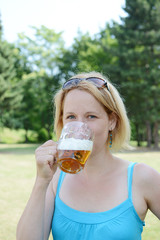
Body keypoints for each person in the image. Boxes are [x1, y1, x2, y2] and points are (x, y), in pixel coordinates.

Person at [16, 71, 160, 240]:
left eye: (91, 116)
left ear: (112, 121)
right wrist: (41, 181)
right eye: (71, 117)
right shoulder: (55, 179)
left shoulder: (141, 177)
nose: (79, 126)